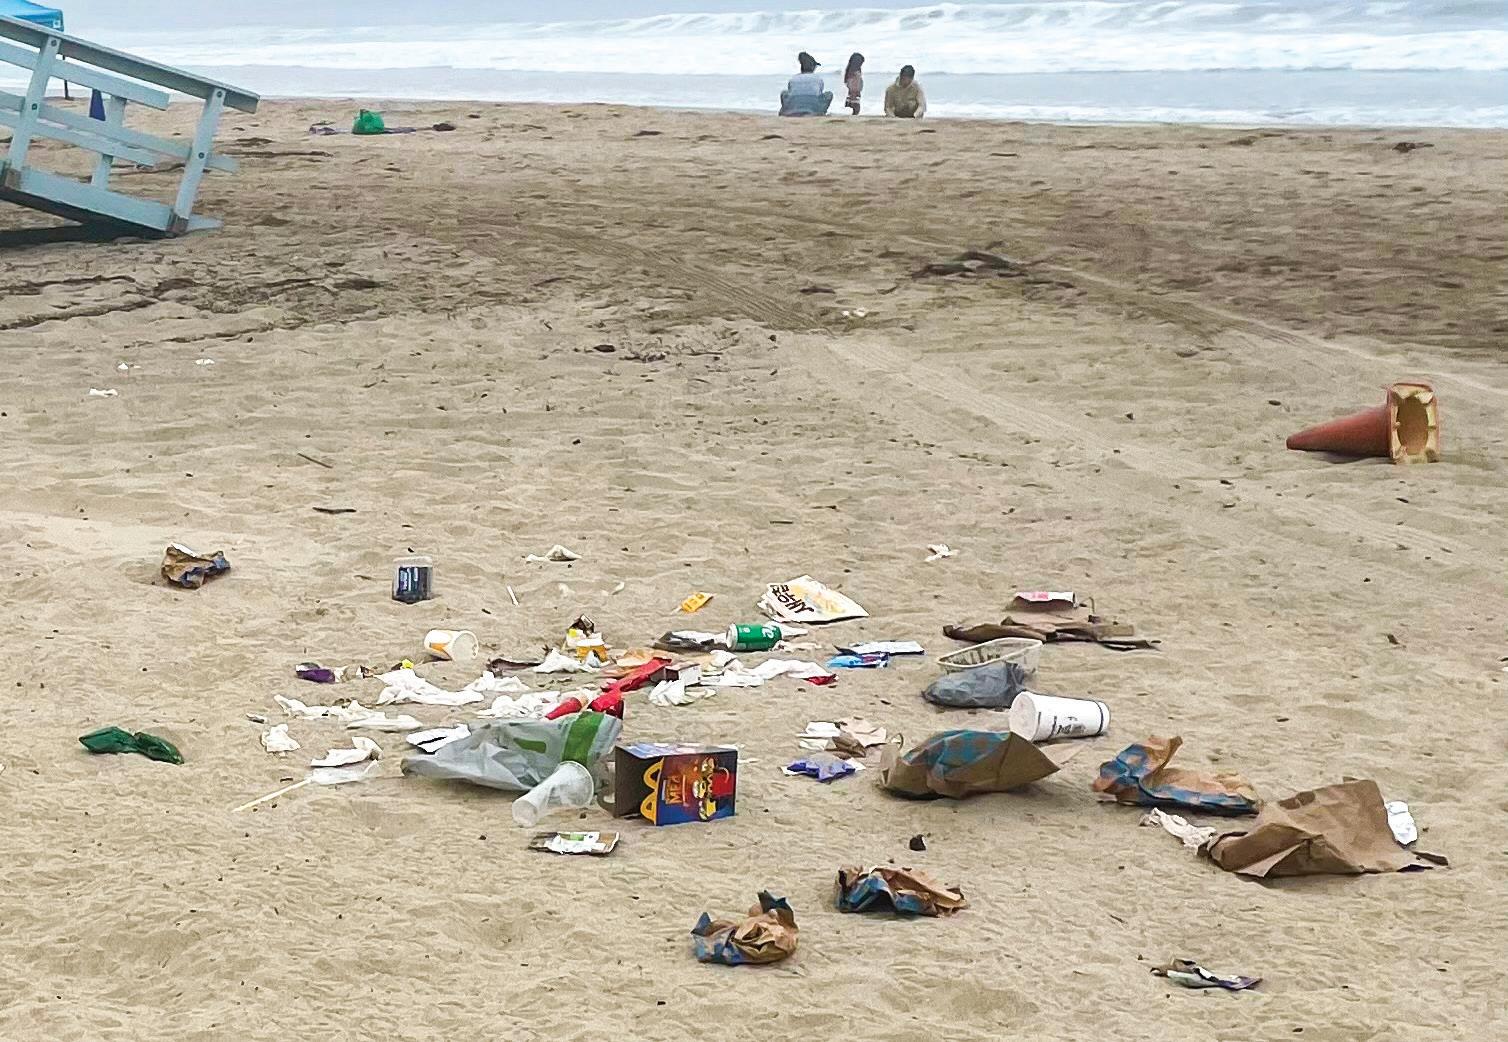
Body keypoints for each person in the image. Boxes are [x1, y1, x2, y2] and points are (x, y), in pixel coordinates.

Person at [779, 51, 833, 117]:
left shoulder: (793, 79)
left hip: (794, 107)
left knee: (784, 93)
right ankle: (820, 112)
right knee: (829, 94)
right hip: (814, 108)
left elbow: (791, 92)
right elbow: (819, 93)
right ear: (813, 67)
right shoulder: (818, 79)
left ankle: (787, 110)